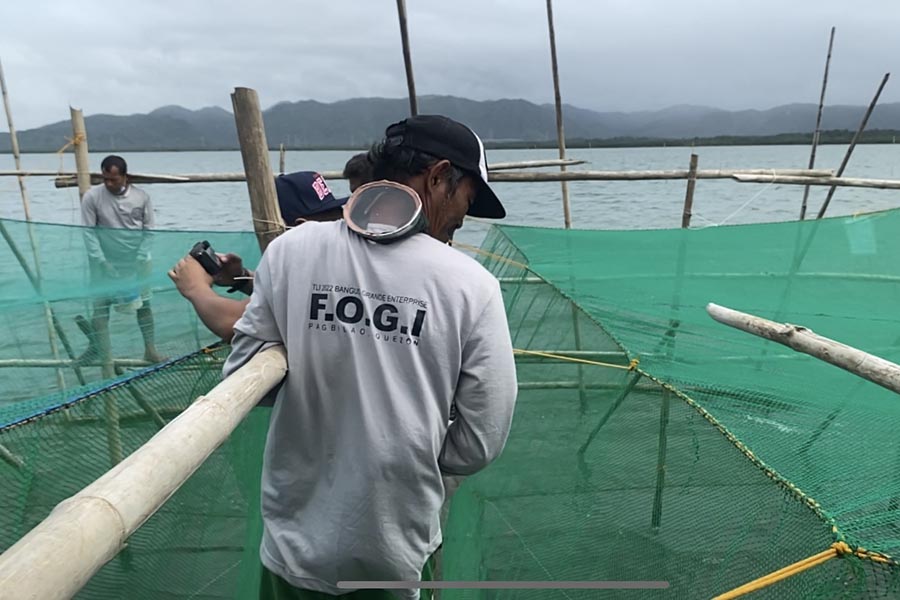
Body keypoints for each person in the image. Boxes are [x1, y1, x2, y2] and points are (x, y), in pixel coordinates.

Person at [222, 114, 518, 599]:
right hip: (393, 548)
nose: (465, 216)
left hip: (292, 544)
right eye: (468, 197)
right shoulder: (471, 285)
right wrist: (412, 454)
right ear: (439, 176)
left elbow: (244, 379)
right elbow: (481, 440)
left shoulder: (290, 251)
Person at [168, 165, 369, 341]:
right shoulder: (349, 259)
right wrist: (243, 279)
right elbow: (286, 297)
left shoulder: (314, 269)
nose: (336, 226)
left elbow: (232, 323)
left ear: (299, 228)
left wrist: (195, 288)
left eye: (335, 218)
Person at [80, 155, 163, 364]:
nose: (109, 183)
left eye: (113, 179)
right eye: (105, 178)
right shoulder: (92, 197)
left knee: (144, 303)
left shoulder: (141, 197)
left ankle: (150, 349)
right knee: (100, 305)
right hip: (105, 260)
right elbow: (88, 232)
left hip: (137, 259)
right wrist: (101, 261)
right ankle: (98, 348)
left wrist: (140, 258)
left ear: (124, 177)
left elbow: (149, 230)